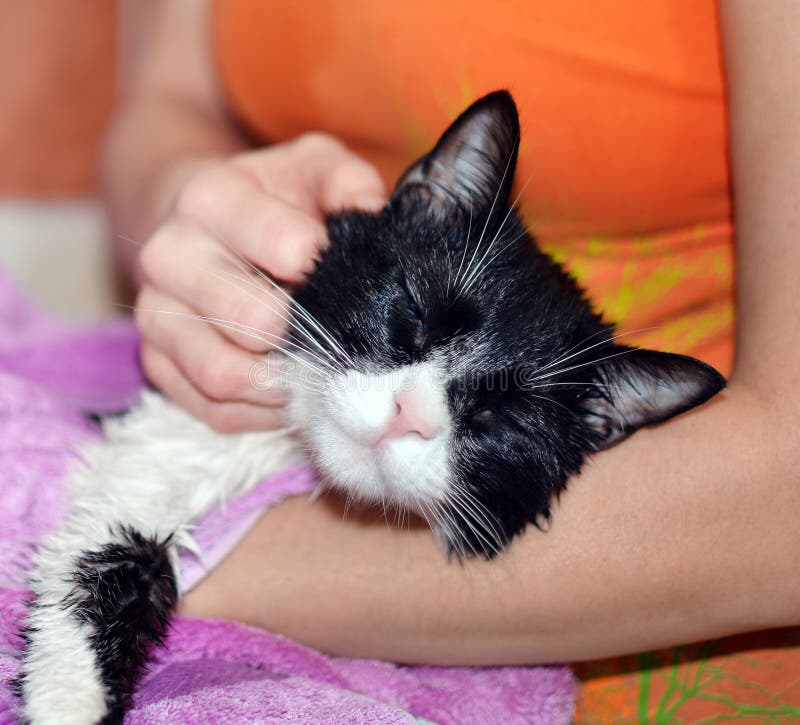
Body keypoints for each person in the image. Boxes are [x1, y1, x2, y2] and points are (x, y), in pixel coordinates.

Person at [104, 0, 800, 718]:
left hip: (634, 622)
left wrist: (176, 564)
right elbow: (166, 103)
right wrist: (197, 226)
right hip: (278, 407)